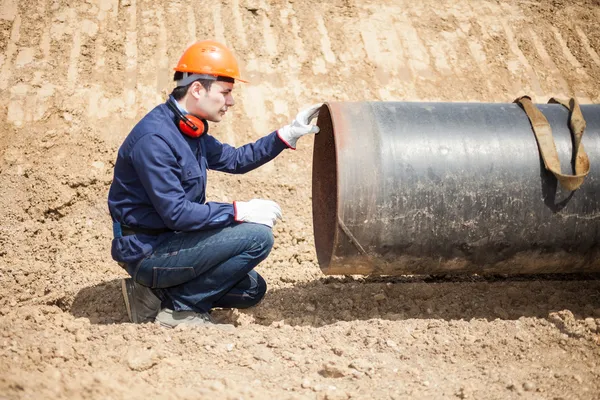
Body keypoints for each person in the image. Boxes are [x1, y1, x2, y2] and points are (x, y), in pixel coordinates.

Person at [107, 40, 321, 328]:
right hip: (148, 252)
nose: (230, 101)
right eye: (225, 92)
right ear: (197, 89)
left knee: (250, 289)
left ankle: (152, 295)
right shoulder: (155, 140)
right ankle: (181, 311)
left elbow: (234, 159)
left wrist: (285, 135)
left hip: (171, 241)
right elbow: (178, 213)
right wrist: (238, 211)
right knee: (258, 237)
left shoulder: (188, 129)